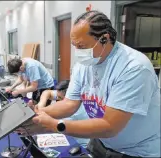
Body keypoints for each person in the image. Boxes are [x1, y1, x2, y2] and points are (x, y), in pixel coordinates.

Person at [20, 11, 160, 157]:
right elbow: (69, 104)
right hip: (101, 141)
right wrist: (37, 114)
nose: (78, 52)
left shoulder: (134, 67)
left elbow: (109, 126)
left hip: (136, 151)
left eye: (81, 46)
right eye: (74, 46)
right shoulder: (83, 65)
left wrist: (54, 125)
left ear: (104, 39)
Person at [28, 80, 90, 147]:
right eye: (57, 97)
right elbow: (47, 92)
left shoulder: (76, 111)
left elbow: (50, 121)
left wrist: (39, 110)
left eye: (60, 98)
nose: (58, 100)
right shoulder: (72, 97)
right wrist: (41, 104)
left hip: (80, 144)